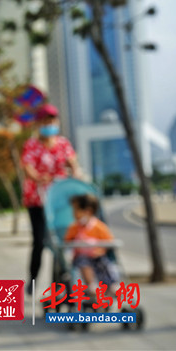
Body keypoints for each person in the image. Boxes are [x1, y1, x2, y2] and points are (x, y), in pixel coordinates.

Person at [21, 103, 81, 294]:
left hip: (59, 200)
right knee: (39, 241)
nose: (50, 124)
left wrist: (76, 173)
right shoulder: (32, 145)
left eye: (53, 120)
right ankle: (32, 279)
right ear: (39, 124)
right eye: (46, 120)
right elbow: (28, 166)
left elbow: (73, 162)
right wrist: (38, 177)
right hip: (37, 201)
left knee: (61, 240)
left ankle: (61, 283)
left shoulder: (63, 144)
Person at [64, 194, 118, 293]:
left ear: (87, 211)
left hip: (97, 255)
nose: (73, 214)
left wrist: (100, 249)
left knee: (105, 264)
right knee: (84, 264)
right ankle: (91, 284)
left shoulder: (99, 227)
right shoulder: (74, 228)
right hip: (81, 257)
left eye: (76, 210)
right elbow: (67, 241)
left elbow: (109, 241)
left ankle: (111, 284)